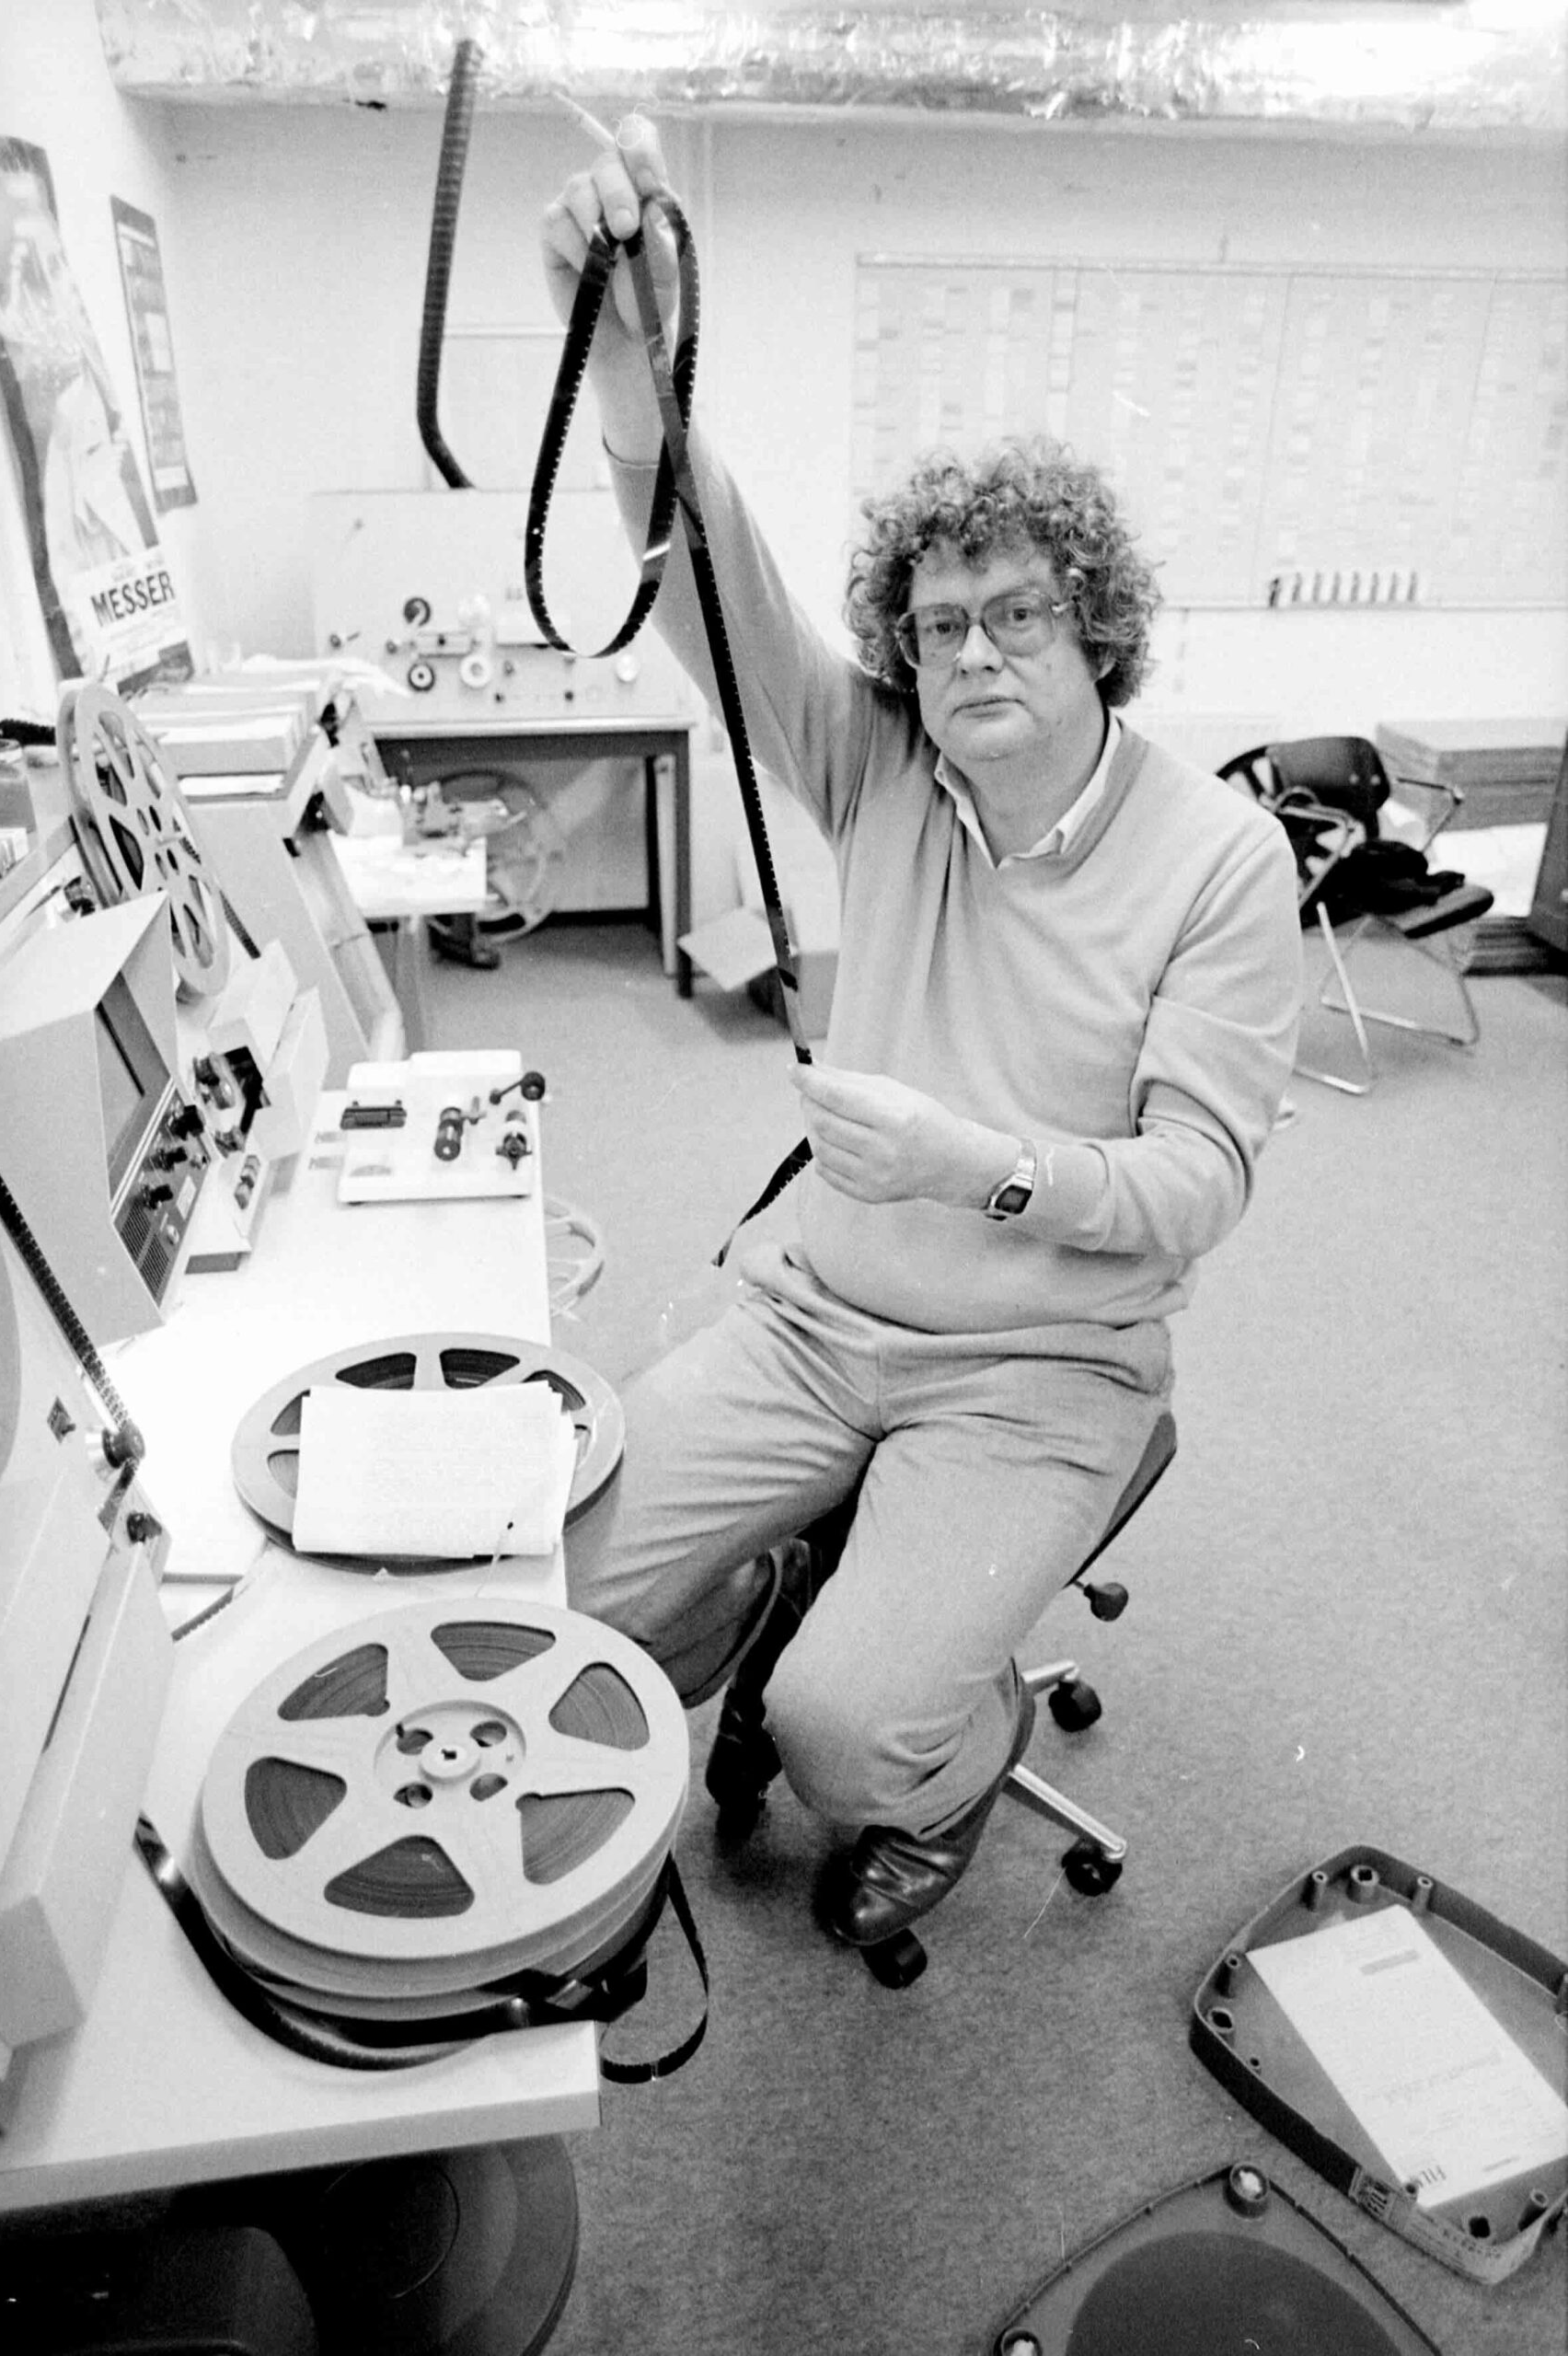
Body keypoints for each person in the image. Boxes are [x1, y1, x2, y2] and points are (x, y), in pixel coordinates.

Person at [547, 121, 1303, 1952]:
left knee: (844, 1734)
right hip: (816, 1315)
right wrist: (633, 351)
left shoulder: (1218, 859)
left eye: (1016, 613)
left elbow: (1197, 1186)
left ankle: (953, 1767)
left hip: (1043, 1365)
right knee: (552, 1596)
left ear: (1093, 629)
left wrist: (978, 1166)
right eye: (937, 622)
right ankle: (769, 1582)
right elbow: (711, 577)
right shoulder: (877, 762)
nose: (971, 653)